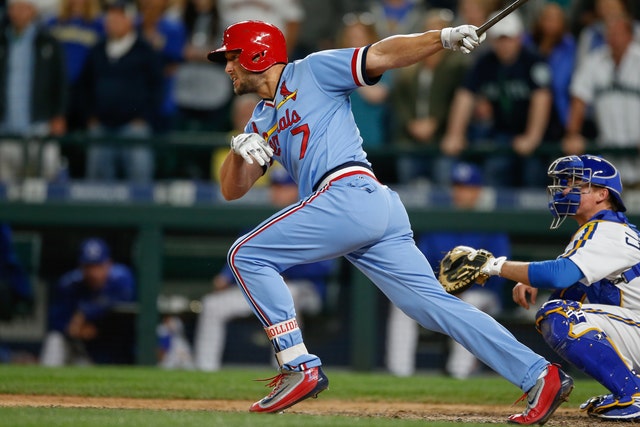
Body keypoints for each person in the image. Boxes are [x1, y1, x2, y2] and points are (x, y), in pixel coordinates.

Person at [206, 19, 573, 424]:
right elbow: (232, 190)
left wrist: (442, 38)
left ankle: (297, 365)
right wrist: (239, 150)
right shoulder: (260, 119)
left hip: (348, 191)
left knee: (247, 254)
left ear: (258, 54)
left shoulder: (310, 70)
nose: (227, 67)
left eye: (232, 57)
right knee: (432, 305)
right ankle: (540, 373)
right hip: (368, 206)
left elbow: (380, 54)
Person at [466, 154, 640, 422]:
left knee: (560, 317)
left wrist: (494, 265)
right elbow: (569, 288)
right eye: (565, 183)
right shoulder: (604, 230)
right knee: (561, 310)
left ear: (602, 194)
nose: (566, 189)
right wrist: (531, 279)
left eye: (577, 183)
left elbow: (560, 275)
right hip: (634, 326)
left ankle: (633, 393)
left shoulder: (607, 230)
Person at [193, 166, 335, 371]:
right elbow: (242, 252)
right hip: (264, 287)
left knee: (287, 295)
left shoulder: (311, 216)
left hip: (305, 289)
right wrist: (226, 276)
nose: (277, 193)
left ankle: (288, 369)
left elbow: (323, 265)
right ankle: (205, 370)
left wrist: (282, 273)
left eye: (284, 188)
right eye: (275, 187)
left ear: (297, 189)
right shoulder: (262, 218)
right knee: (213, 305)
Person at [385, 162, 510, 378]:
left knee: (470, 302)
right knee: (402, 303)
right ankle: (400, 373)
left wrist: (465, 283)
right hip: (441, 292)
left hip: (482, 295)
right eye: (457, 187)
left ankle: (458, 374)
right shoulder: (440, 221)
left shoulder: (491, 222)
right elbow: (420, 265)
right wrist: (446, 287)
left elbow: (501, 271)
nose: (460, 193)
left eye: (466, 187)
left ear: (478, 190)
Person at [440, 10, 552, 189]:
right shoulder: (485, 62)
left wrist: (532, 137)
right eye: (500, 39)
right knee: (494, 167)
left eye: (508, 38)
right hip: (501, 134)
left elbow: (542, 98)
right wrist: (455, 134)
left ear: (519, 38)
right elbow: (465, 95)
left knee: (534, 174)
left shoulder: (533, 61)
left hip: (542, 138)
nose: (504, 44)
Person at [77, 0, 164, 183]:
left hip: (134, 127)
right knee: (96, 185)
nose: (113, 20)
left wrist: (145, 117)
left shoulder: (145, 51)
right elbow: (84, 85)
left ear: (131, 20)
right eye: (111, 15)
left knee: (140, 183)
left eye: (119, 16)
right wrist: (90, 116)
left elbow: (157, 87)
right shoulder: (97, 50)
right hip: (101, 126)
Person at [389, 8, 471, 184]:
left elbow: (458, 100)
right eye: (431, 30)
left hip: (442, 141)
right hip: (410, 140)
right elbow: (399, 100)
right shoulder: (409, 68)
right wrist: (410, 123)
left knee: (444, 182)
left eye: (441, 30)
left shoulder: (457, 67)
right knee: (407, 182)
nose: (436, 36)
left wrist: (436, 122)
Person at [562, 14, 640, 188]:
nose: (613, 38)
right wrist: (572, 133)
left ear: (630, 36)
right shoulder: (594, 62)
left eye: (618, 33)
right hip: (609, 159)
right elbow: (579, 98)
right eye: (610, 33)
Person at [0, 0, 68, 183]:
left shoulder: (48, 42)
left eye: (23, 7)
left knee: (45, 187)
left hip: (40, 126)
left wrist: (59, 114)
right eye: (14, 7)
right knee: (5, 192)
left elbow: (60, 81)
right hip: (6, 129)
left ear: (33, 11)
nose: (17, 12)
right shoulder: (3, 41)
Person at [40, 238, 136, 366]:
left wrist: (85, 314)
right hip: (78, 346)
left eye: (98, 266)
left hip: (109, 349)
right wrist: (73, 329)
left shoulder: (121, 279)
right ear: (80, 266)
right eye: (89, 267)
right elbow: (56, 321)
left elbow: (120, 305)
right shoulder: (69, 284)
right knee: (55, 339)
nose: (93, 273)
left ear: (109, 264)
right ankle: (45, 380)